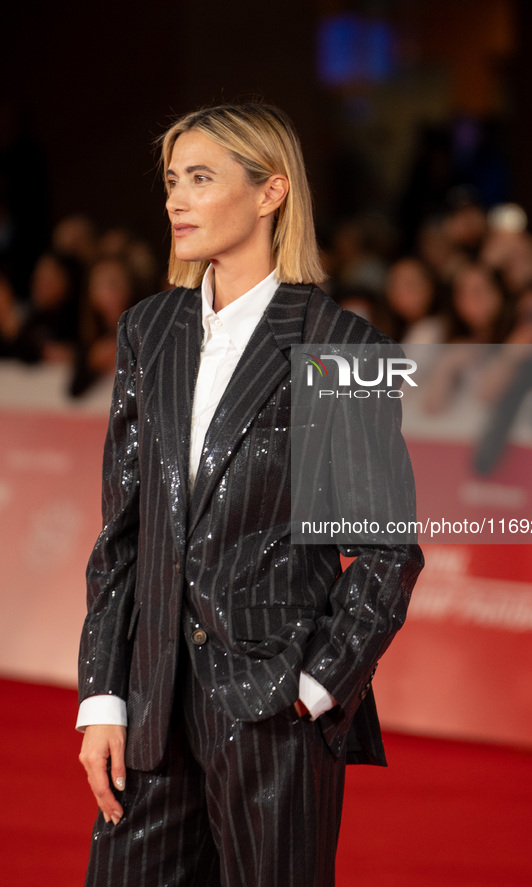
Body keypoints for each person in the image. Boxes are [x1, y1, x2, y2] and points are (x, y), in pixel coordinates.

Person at [77, 102, 423, 887]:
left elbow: (386, 548)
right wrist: (102, 696)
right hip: (149, 708)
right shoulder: (147, 330)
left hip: (274, 712)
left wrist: (315, 686)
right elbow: (121, 535)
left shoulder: (342, 345)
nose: (176, 200)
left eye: (200, 178)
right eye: (171, 180)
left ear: (270, 193)